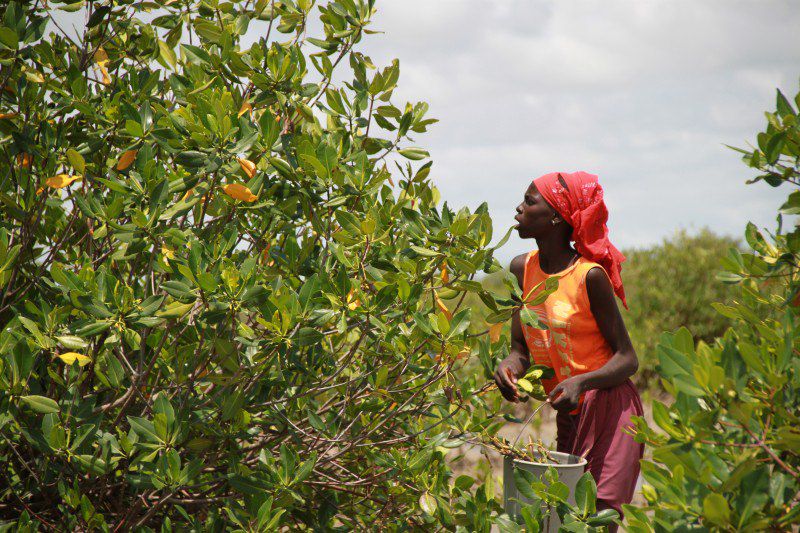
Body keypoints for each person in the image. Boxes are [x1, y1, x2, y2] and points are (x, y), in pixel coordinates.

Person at [493, 171, 644, 529]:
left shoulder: (589, 276)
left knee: (597, 517)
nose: (519, 207)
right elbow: (520, 349)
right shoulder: (522, 269)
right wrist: (508, 367)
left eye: (530, 201)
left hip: (611, 409)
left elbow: (628, 359)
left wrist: (581, 382)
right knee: (563, 516)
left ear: (557, 217)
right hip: (570, 410)